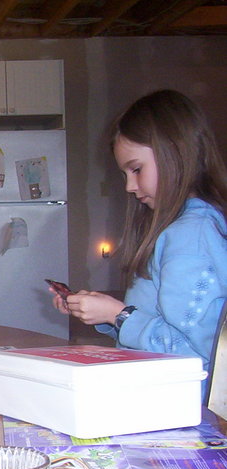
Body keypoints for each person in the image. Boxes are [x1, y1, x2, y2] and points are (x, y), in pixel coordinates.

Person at [50, 90, 227, 397]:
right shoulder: (188, 225)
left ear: (175, 153)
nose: (130, 186)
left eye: (137, 169)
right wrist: (105, 312)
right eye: (125, 174)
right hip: (163, 394)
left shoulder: (190, 235)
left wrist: (117, 315)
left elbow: (191, 353)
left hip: (179, 404)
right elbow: (157, 321)